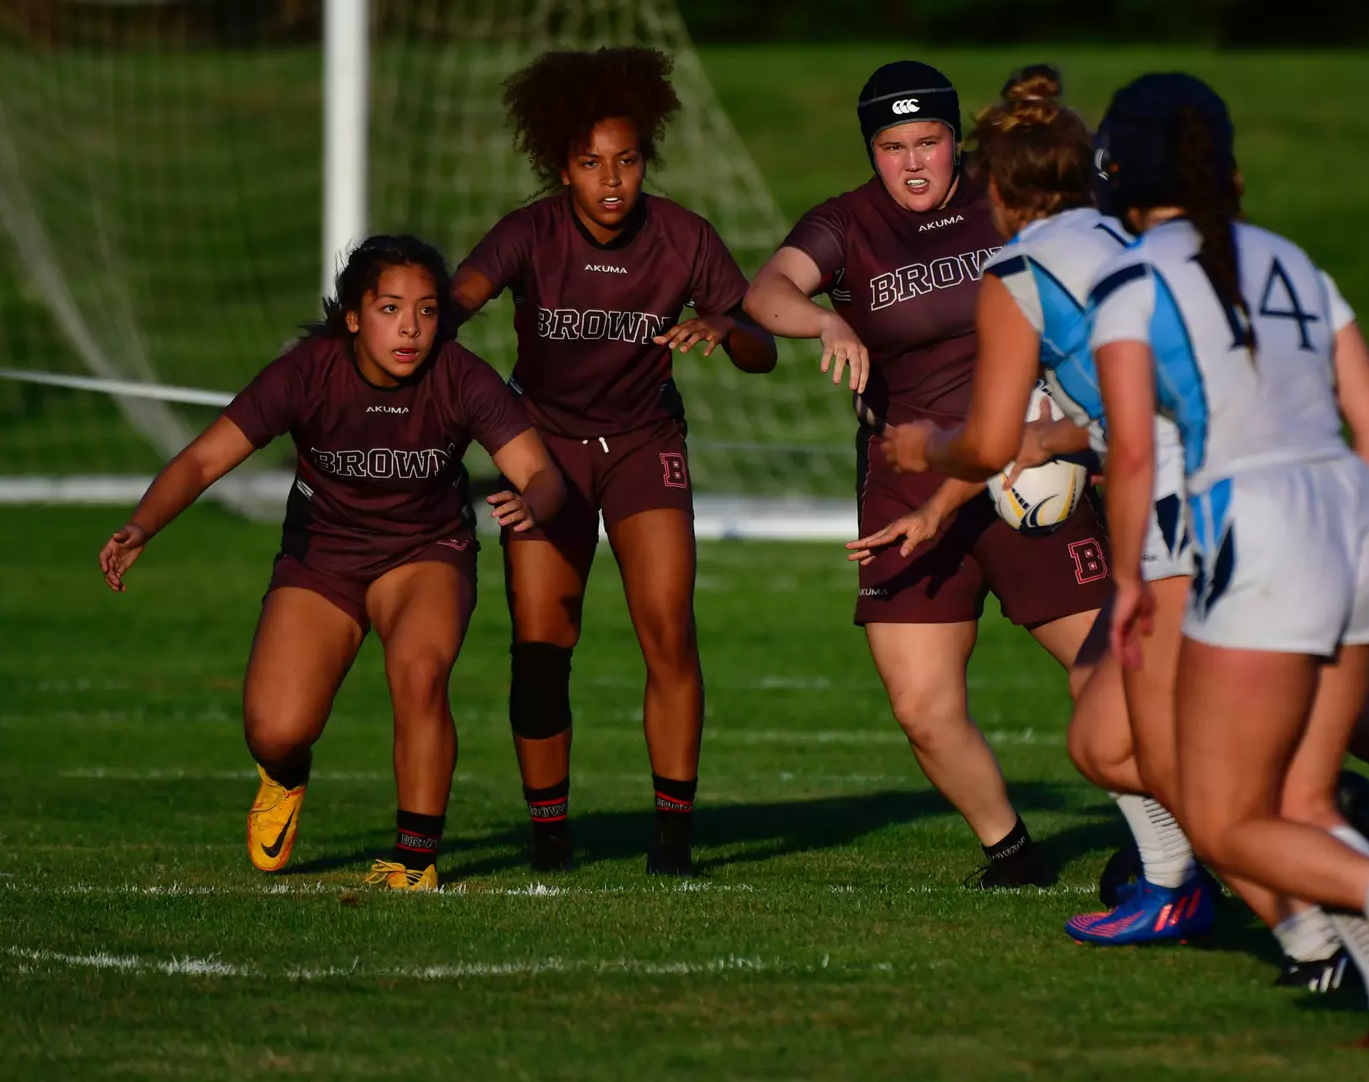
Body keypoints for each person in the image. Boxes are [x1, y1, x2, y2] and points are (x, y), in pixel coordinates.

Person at [886, 69, 1369, 966]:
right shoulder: (1231, 251)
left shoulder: (1050, 271)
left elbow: (1101, 436)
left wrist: (933, 452)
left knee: (1151, 749)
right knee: (1354, 718)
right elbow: (1349, 412)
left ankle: (1341, 918)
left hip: (1207, 516)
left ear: (998, 188)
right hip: (1325, 503)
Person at [1088, 73, 1369, 1047]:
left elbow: (1131, 453)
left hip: (1261, 524)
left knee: (1226, 820)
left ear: (1118, 171)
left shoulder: (1130, 282)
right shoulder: (1294, 260)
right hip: (1353, 515)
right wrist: (1365, 536)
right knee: (1305, 799)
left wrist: (1131, 581)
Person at [97, 235, 563, 891]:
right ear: (353, 317)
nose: (410, 328)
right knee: (275, 731)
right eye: (390, 308)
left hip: (426, 552)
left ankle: (414, 860)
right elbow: (203, 459)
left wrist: (534, 501)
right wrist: (142, 525)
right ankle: (285, 778)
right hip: (322, 561)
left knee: (420, 672)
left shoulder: (461, 376)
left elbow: (541, 472)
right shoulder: (307, 373)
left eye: (427, 310)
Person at [744, 61, 1110, 887]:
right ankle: (1012, 856)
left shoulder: (1001, 200)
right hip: (906, 475)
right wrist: (826, 321)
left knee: (1109, 679)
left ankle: (1187, 839)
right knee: (921, 707)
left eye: (929, 142)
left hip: (1024, 466)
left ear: (957, 142)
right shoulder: (847, 222)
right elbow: (767, 291)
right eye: (891, 146)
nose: (912, 163)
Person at [451, 47, 777, 877]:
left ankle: (673, 841)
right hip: (544, 451)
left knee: (668, 627)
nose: (610, 181)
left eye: (626, 161)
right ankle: (550, 836)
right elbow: (446, 309)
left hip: (643, 445)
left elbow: (762, 350)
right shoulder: (528, 233)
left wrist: (727, 327)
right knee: (542, 640)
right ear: (561, 166)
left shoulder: (683, 236)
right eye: (591, 163)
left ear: (646, 160)